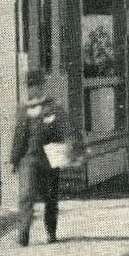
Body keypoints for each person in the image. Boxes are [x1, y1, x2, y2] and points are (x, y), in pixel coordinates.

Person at [11, 69, 83, 246]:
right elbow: (19, 137)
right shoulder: (24, 110)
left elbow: (66, 129)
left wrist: (69, 147)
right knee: (26, 195)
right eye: (30, 86)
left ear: (42, 86)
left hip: (50, 158)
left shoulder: (53, 107)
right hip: (28, 159)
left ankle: (51, 231)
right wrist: (14, 159)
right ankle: (23, 233)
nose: (33, 90)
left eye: (36, 86)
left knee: (50, 197)